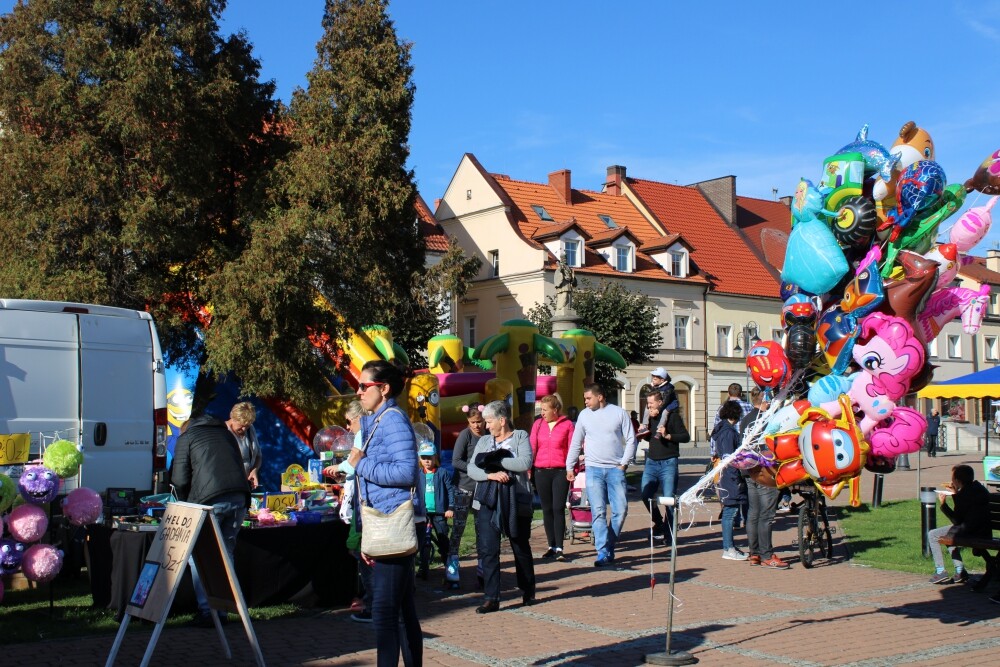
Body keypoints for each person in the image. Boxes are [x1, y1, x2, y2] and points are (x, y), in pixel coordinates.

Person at [351, 360, 422, 667]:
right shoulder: (378, 420)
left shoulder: (392, 420)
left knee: (384, 614)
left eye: (364, 386)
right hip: (382, 522)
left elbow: (406, 472)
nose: (358, 391)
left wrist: (360, 464)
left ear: (384, 388)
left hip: (392, 520)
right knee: (404, 613)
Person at [171, 410, 251, 627]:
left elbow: (179, 478)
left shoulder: (186, 438)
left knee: (200, 554)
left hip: (210, 501)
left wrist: (183, 502)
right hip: (239, 497)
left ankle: (208, 611)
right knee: (226, 553)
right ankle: (224, 610)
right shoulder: (226, 434)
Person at [468, 400, 535, 613]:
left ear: (502, 420)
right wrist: (491, 474)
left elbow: (525, 462)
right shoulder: (485, 441)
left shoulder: (520, 436)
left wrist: (496, 461)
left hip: (515, 499)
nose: (486, 426)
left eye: (489, 421)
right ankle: (491, 597)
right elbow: (472, 467)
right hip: (488, 500)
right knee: (488, 549)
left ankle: (527, 591)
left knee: (519, 545)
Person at [565, 383, 637, 567]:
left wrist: (624, 463)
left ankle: (609, 545)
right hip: (593, 469)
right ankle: (602, 552)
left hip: (615, 469)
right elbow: (576, 441)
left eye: (588, 398)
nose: (585, 402)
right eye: (584, 399)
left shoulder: (619, 413)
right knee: (597, 511)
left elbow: (631, 439)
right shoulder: (584, 415)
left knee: (620, 511)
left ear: (600, 397)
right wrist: (569, 466)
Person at [740, 389, 787, 568]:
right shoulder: (768, 419)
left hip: (749, 470)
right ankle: (766, 554)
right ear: (766, 401)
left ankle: (754, 553)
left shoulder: (746, 420)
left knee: (753, 513)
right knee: (766, 515)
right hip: (766, 472)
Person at [639, 390, 689, 544]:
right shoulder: (649, 418)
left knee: (669, 499)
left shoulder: (672, 417)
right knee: (645, 494)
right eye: (647, 404)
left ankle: (669, 534)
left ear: (660, 403)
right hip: (652, 462)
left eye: (651, 404)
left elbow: (685, 437)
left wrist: (668, 436)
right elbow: (649, 436)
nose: (649, 407)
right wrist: (643, 432)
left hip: (668, 462)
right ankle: (659, 523)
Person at [928, 464, 991, 584]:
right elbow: (967, 509)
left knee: (933, 534)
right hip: (983, 530)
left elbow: (956, 520)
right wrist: (956, 494)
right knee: (950, 535)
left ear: (957, 480)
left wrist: (943, 505)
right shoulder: (979, 488)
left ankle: (940, 571)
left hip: (970, 531)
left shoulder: (964, 494)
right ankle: (960, 571)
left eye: (952, 479)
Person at [529, 394, 575, 560]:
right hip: (541, 471)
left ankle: (560, 548)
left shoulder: (567, 425)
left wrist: (572, 468)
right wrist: (529, 469)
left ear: (555, 410)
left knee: (558, 508)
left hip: (560, 471)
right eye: (541, 410)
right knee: (546, 509)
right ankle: (551, 545)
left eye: (545, 410)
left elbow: (572, 448)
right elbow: (532, 447)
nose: (542, 413)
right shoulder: (538, 425)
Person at [449, 402, 486, 587]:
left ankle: (482, 564)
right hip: (464, 487)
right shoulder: (465, 436)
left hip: (482, 489)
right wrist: (473, 469)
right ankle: (453, 563)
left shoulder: (487, 436)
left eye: (479, 421)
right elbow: (455, 460)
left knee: (482, 528)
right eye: (473, 422)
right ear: (468, 422)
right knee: (459, 526)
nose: (477, 425)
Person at [712, 400, 749, 561]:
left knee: (731, 511)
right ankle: (728, 548)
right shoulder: (728, 432)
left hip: (728, 474)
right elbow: (729, 456)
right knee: (730, 512)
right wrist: (737, 474)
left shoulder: (724, 429)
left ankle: (730, 546)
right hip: (731, 476)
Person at [417, 441, 455, 580]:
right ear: (420, 459)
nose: (427, 461)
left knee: (443, 539)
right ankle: (422, 566)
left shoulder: (442, 473)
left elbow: (450, 490)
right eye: (424, 458)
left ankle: (449, 567)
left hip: (440, 512)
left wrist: (450, 507)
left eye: (430, 458)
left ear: (435, 458)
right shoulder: (418, 474)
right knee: (422, 540)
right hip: (423, 513)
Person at [226, 401, 262, 490]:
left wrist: (254, 471)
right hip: (229, 486)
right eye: (242, 425)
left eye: (247, 426)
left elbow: (258, 456)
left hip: (246, 487)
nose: (244, 429)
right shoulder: (223, 432)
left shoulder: (250, 429)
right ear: (232, 418)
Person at [648, 367, 680, 436]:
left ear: (662, 380)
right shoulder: (655, 386)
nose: (653, 380)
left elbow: (665, 401)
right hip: (661, 403)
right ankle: (644, 425)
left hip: (670, 404)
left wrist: (657, 410)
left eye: (655, 379)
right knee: (647, 408)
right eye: (652, 378)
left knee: (665, 412)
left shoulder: (668, 388)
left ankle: (660, 428)